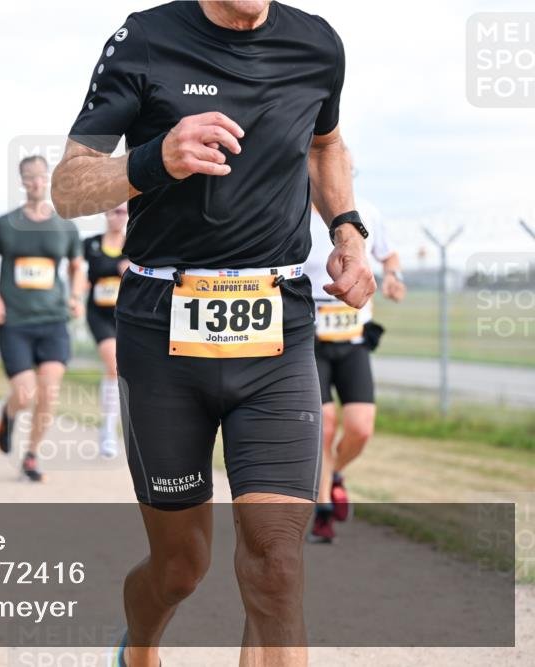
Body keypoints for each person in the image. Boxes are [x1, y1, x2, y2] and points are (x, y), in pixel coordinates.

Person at [51, 2, 375, 665]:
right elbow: (68, 187)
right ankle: (139, 647)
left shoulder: (316, 44)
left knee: (276, 560)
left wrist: (347, 229)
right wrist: (155, 159)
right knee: (179, 567)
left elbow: (326, 144)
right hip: (161, 331)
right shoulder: (144, 39)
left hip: (276, 329)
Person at [306, 193, 406, 543]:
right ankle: (323, 513)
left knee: (361, 428)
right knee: (324, 426)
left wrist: (392, 276)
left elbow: (388, 254)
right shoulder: (291, 207)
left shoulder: (366, 211)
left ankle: (336, 473)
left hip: (353, 339)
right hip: (309, 341)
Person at [0, 155, 83, 483]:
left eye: (41, 175)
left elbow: (76, 266)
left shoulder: (65, 226)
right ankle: (8, 414)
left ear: (48, 179)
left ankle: (31, 456)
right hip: (15, 321)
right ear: (22, 181)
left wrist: (75, 296)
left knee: (49, 391)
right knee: (24, 394)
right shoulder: (5, 224)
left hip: (53, 320)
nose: (36, 182)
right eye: (30, 177)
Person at [83, 203, 130, 458]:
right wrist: (74, 295)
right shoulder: (91, 244)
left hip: (125, 315)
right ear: (105, 213)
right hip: (99, 315)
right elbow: (79, 274)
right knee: (113, 365)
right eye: (113, 211)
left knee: (123, 370)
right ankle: (109, 429)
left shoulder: (133, 244)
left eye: (122, 212)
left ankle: (112, 424)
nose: (117, 216)